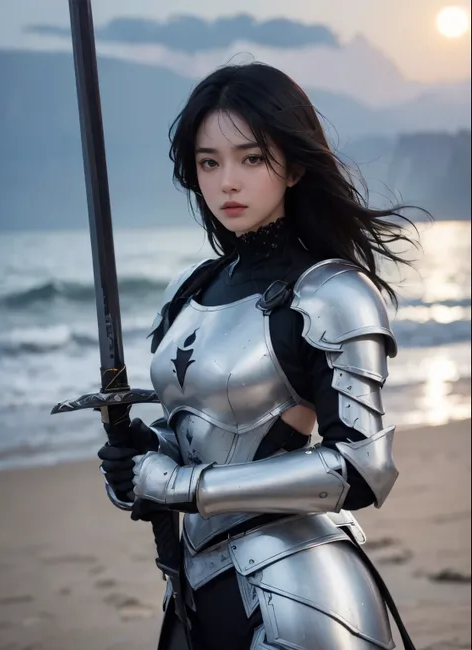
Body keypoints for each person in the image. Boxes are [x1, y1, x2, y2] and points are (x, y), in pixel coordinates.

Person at [98, 62, 422, 650]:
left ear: (295, 166)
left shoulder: (332, 293)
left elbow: (361, 469)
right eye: (208, 162)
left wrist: (184, 484)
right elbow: (197, 433)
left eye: (252, 158)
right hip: (192, 592)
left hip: (303, 590)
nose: (227, 182)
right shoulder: (189, 291)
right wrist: (144, 464)